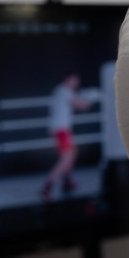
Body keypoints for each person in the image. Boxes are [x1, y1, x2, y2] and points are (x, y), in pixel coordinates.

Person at [42, 72, 93, 201]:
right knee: (66, 157)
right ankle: (48, 185)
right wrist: (92, 97)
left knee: (72, 153)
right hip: (61, 130)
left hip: (61, 130)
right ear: (67, 79)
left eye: (77, 81)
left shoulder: (60, 90)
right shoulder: (65, 91)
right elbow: (82, 106)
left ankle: (67, 182)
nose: (76, 83)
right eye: (74, 80)